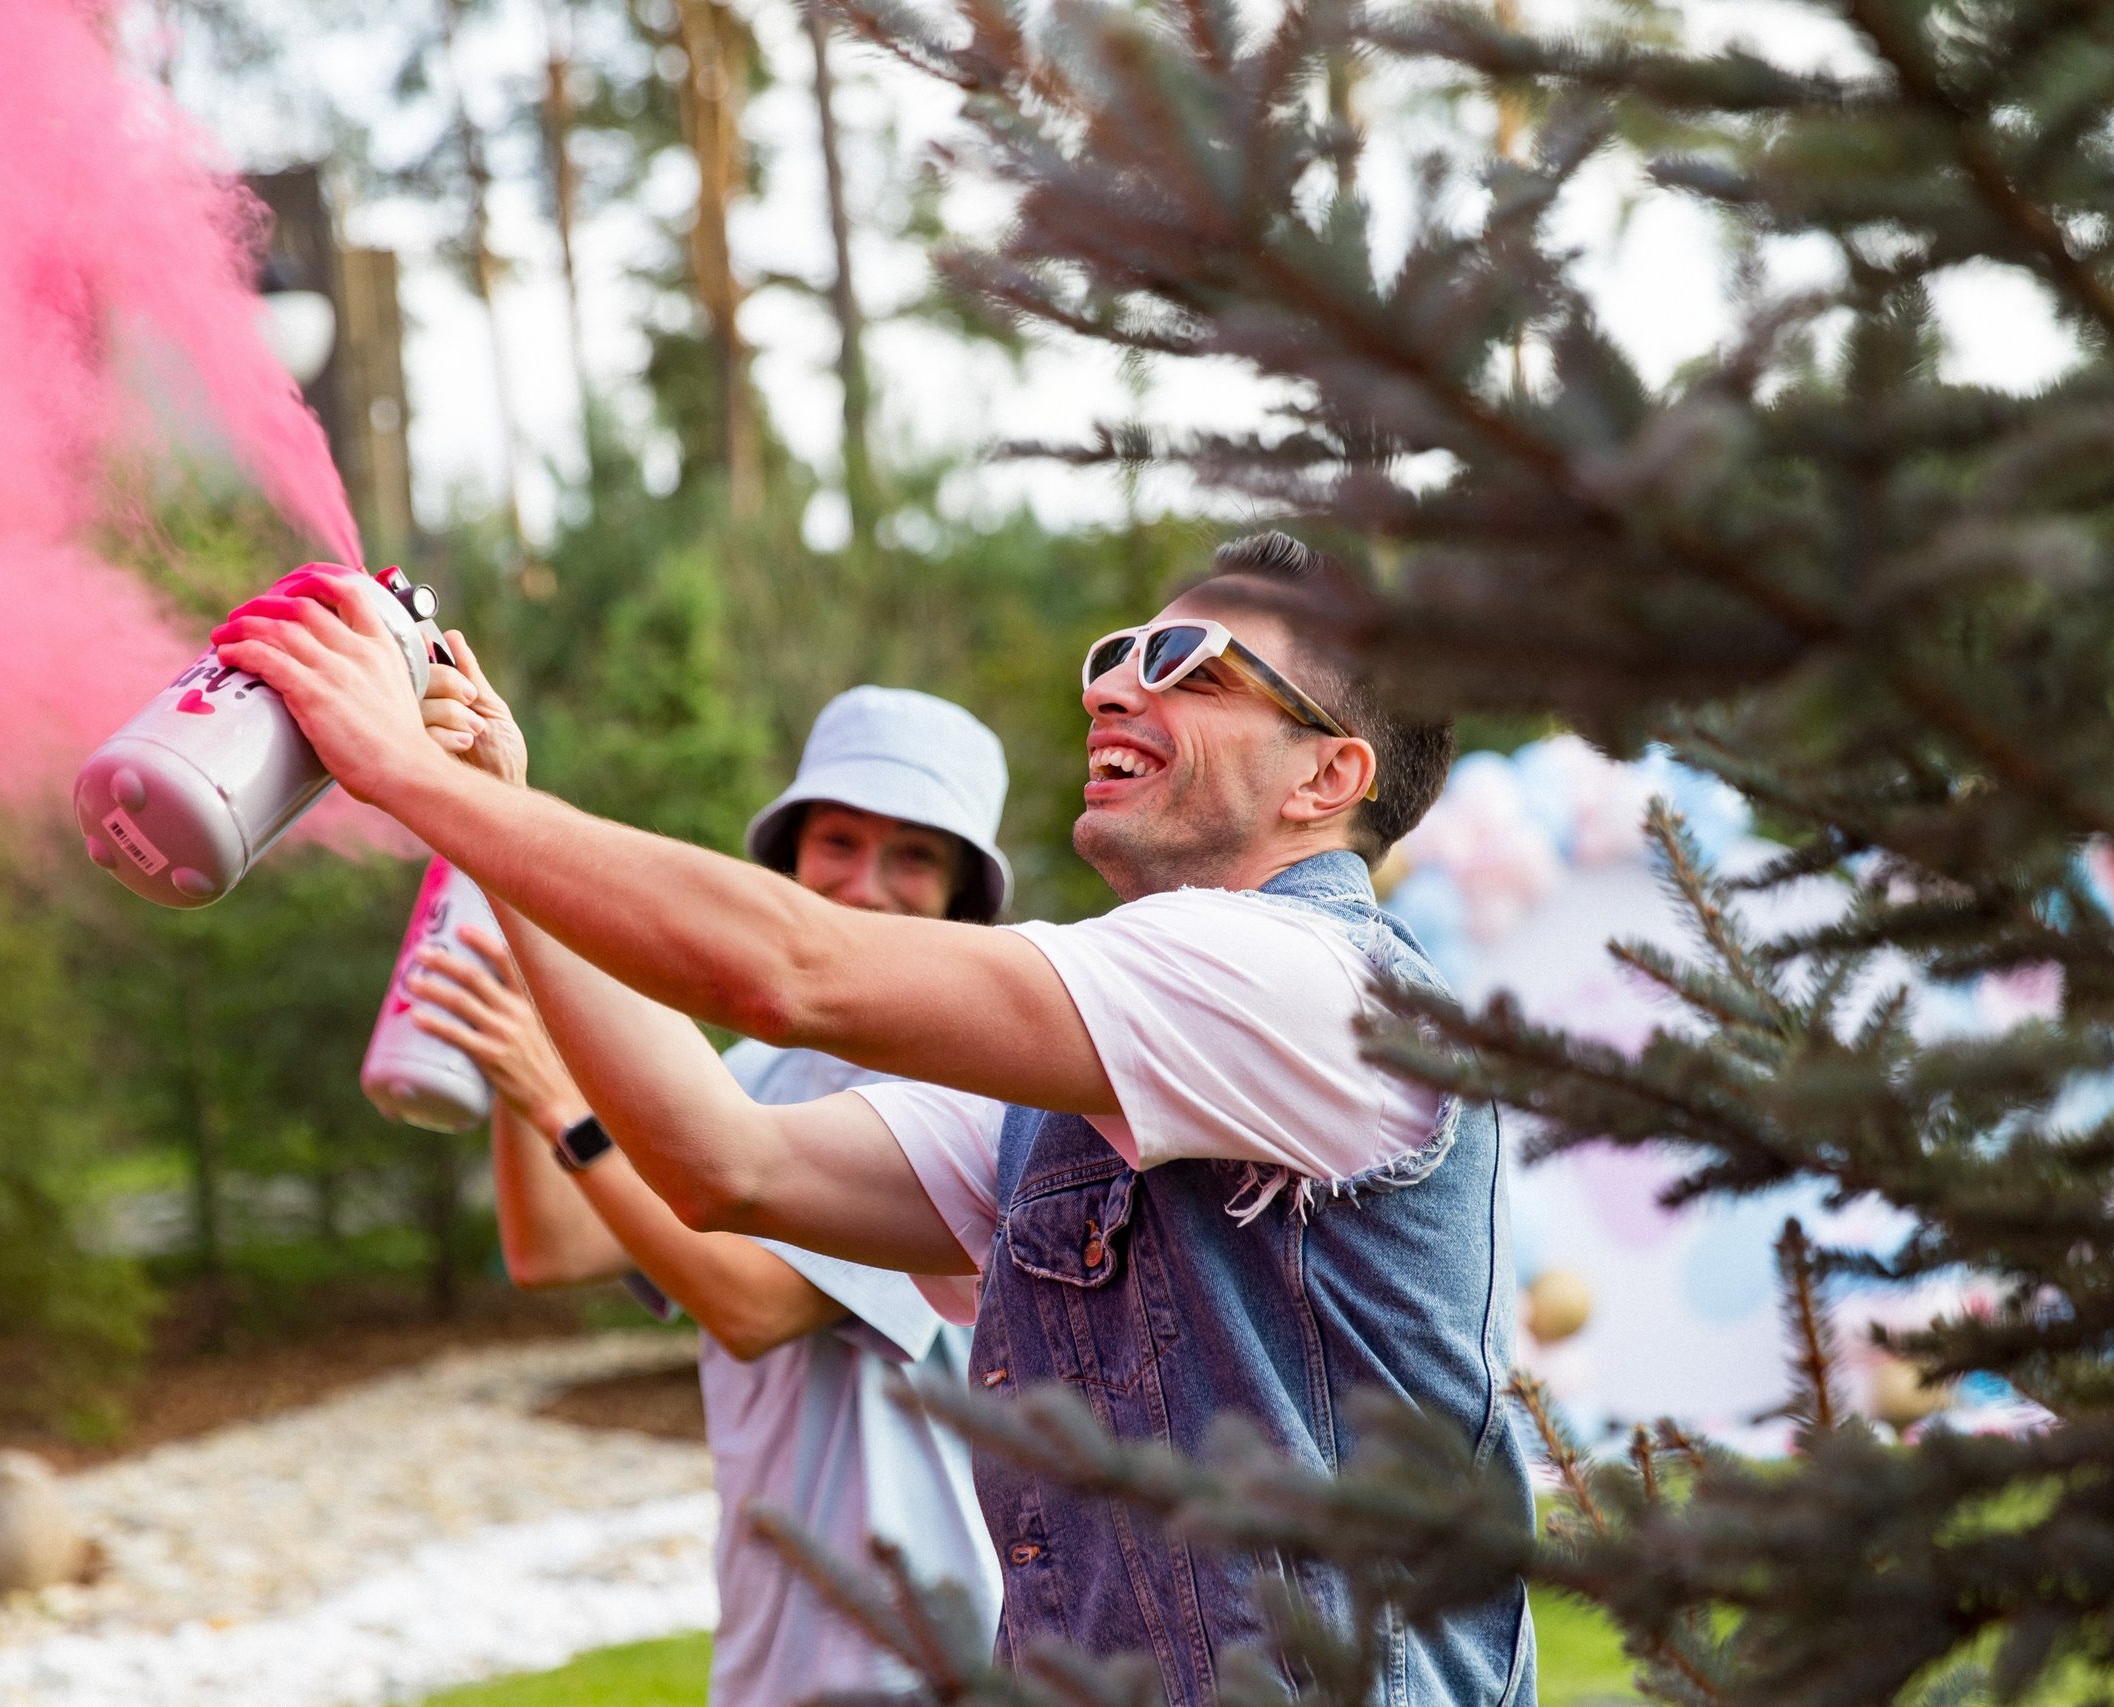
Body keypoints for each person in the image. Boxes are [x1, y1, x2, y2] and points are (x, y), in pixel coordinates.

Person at [214, 533, 1534, 1707]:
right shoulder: (1078, 1082)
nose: (1114, 682)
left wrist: (411, 776)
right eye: (1118, 649)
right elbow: (723, 1162)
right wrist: (496, 808)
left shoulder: (1317, 981)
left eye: (1188, 659)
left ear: (1329, 775)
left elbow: (791, 970)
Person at [401, 687, 1010, 1707]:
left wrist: (566, 1104)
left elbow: (754, 1305)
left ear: (958, 894)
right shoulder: (752, 1084)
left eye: (913, 856)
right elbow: (551, 1249)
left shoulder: (961, 1096)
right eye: (839, 841)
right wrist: (523, 1049)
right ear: (790, 859)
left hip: (921, 1657)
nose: (864, 885)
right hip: (772, 1645)